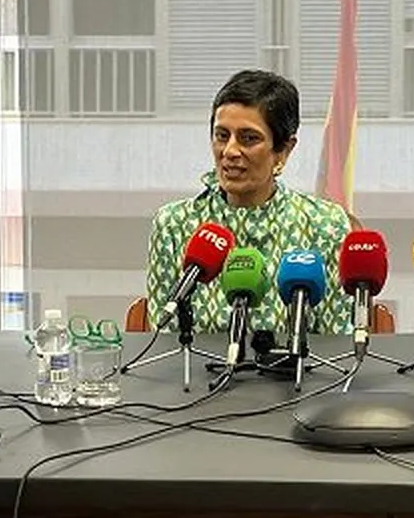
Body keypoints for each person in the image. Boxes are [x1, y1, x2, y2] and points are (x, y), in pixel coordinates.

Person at [146, 69, 354, 339]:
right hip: (193, 368)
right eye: (222, 136)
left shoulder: (325, 225)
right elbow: (163, 340)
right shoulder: (174, 224)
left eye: (248, 138)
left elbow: (335, 343)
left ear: (283, 150)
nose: (230, 151)